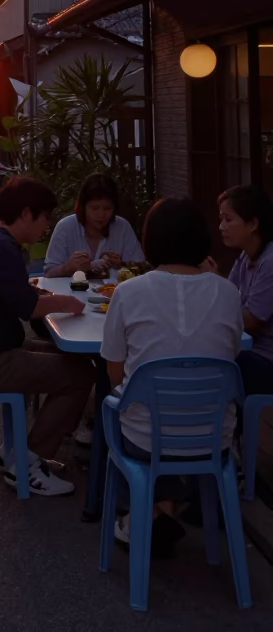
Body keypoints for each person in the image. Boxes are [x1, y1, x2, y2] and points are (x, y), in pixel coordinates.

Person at [101, 197, 243, 555]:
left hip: (147, 437)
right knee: (176, 424)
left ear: (151, 241)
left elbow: (115, 373)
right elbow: (230, 355)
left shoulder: (128, 292)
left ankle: (143, 514)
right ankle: (162, 509)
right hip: (214, 436)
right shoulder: (228, 292)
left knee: (119, 412)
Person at [0, 177, 94, 496]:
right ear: (26, 214)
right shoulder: (1, 248)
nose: (46, 228)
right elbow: (28, 307)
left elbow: (16, 295)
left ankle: (18, 452)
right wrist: (65, 302)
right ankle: (27, 463)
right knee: (81, 374)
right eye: (44, 219)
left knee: (73, 358)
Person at [220, 183, 273, 395]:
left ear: (253, 224)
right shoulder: (246, 255)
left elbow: (251, 322)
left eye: (228, 219)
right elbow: (228, 295)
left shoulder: (269, 262)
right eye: (221, 219)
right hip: (249, 350)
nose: (221, 227)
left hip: (265, 358)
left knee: (213, 360)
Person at [44, 172, 145, 276]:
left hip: (113, 292)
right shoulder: (65, 227)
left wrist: (121, 265)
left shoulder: (122, 227)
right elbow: (48, 273)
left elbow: (141, 269)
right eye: (95, 208)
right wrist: (67, 268)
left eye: (107, 208)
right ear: (83, 207)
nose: (101, 215)